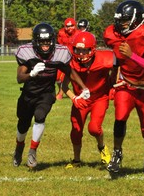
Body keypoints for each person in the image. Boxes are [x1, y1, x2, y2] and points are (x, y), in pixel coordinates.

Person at [12, 22, 89, 169]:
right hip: (28, 94)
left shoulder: (60, 53)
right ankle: (19, 147)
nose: (45, 45)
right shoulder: (27, 52)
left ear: (53, 40)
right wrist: (32, 74)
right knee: (23, 125)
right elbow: (19, 77)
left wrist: (84, 88)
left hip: (46, 93)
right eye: (42, 42)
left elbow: (70, 72)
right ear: (35, 42)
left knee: (40, 116)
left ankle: (32, 151)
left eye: (48, 41)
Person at [103, 0, 144, 174]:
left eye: (126, 19)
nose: (121, 24)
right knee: (120, 117)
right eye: (120, 19)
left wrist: (131, 55)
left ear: (137, 19)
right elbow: (116, 57)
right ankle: (117, 153)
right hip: (126, 85)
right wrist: (112, 77)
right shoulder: (115, 35)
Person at [62, 31, 113, 168]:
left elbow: (118, 65)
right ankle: (76, 160)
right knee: (76, 130)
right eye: (78, 50)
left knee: (94, 128)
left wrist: (113, 86)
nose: (81, 53)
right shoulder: (71, 63)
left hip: (99, 98)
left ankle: (102, 148)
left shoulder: (104, 59)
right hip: (81, 100)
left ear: (92, 49)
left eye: (85, 50)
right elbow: (63, 85)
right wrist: (74, 98)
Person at [56, 18, 81, 100]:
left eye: (71, 26)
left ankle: (61, 93)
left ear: (75, 25)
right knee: (57, 78)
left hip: (74, 58)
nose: (69, 28)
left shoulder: (79, 34)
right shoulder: (61, 33)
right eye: (67, 26)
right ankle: (62, 91)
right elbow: (59, 46)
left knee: (69, 77)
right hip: (63, 57)